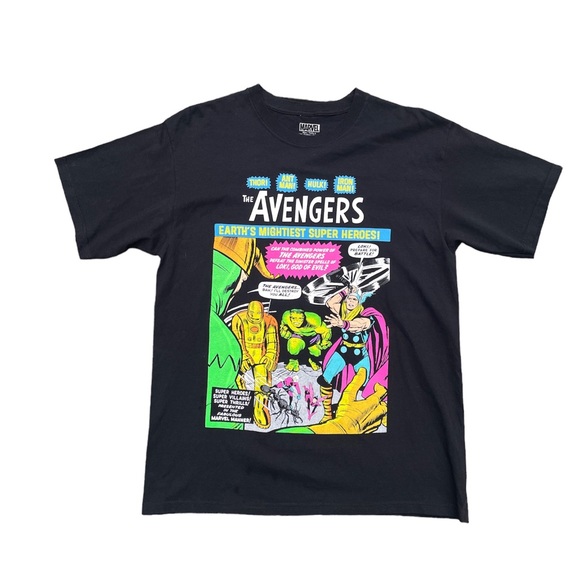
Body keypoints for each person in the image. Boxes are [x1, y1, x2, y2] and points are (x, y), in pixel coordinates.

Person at [317, 286, 389, 423]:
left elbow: (360, 325)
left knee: (366, 384)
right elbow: (330, 303)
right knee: (325, 379)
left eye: (354, 300)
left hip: (360, 356)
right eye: (349, 299)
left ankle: (380, 411)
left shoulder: (366, 315)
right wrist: (346, 290)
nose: (351, 302)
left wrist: (343, 324)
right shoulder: (343, 311)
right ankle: (327, 415)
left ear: (359, 302)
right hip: (342, 353)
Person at [231, 300, 279, 428]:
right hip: (242, 354)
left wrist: (270, 356)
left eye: (258, 316)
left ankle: (260, 407)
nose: (255, 319)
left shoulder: (270, 320)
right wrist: (243, 356)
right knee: (238, 379)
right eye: (252, 315)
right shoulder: (238, 319)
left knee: (263, 381)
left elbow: (272, 342)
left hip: (260, 355)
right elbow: (236, 339)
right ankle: (243, 402)